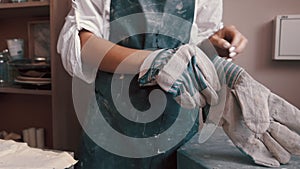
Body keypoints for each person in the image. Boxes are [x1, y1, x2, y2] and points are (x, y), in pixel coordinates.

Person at [57, 0, 299, 169]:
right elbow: (81, 44)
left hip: (179, 123)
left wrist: (215, 48)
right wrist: (155, 61)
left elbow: (198, 44)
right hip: (113, 125)